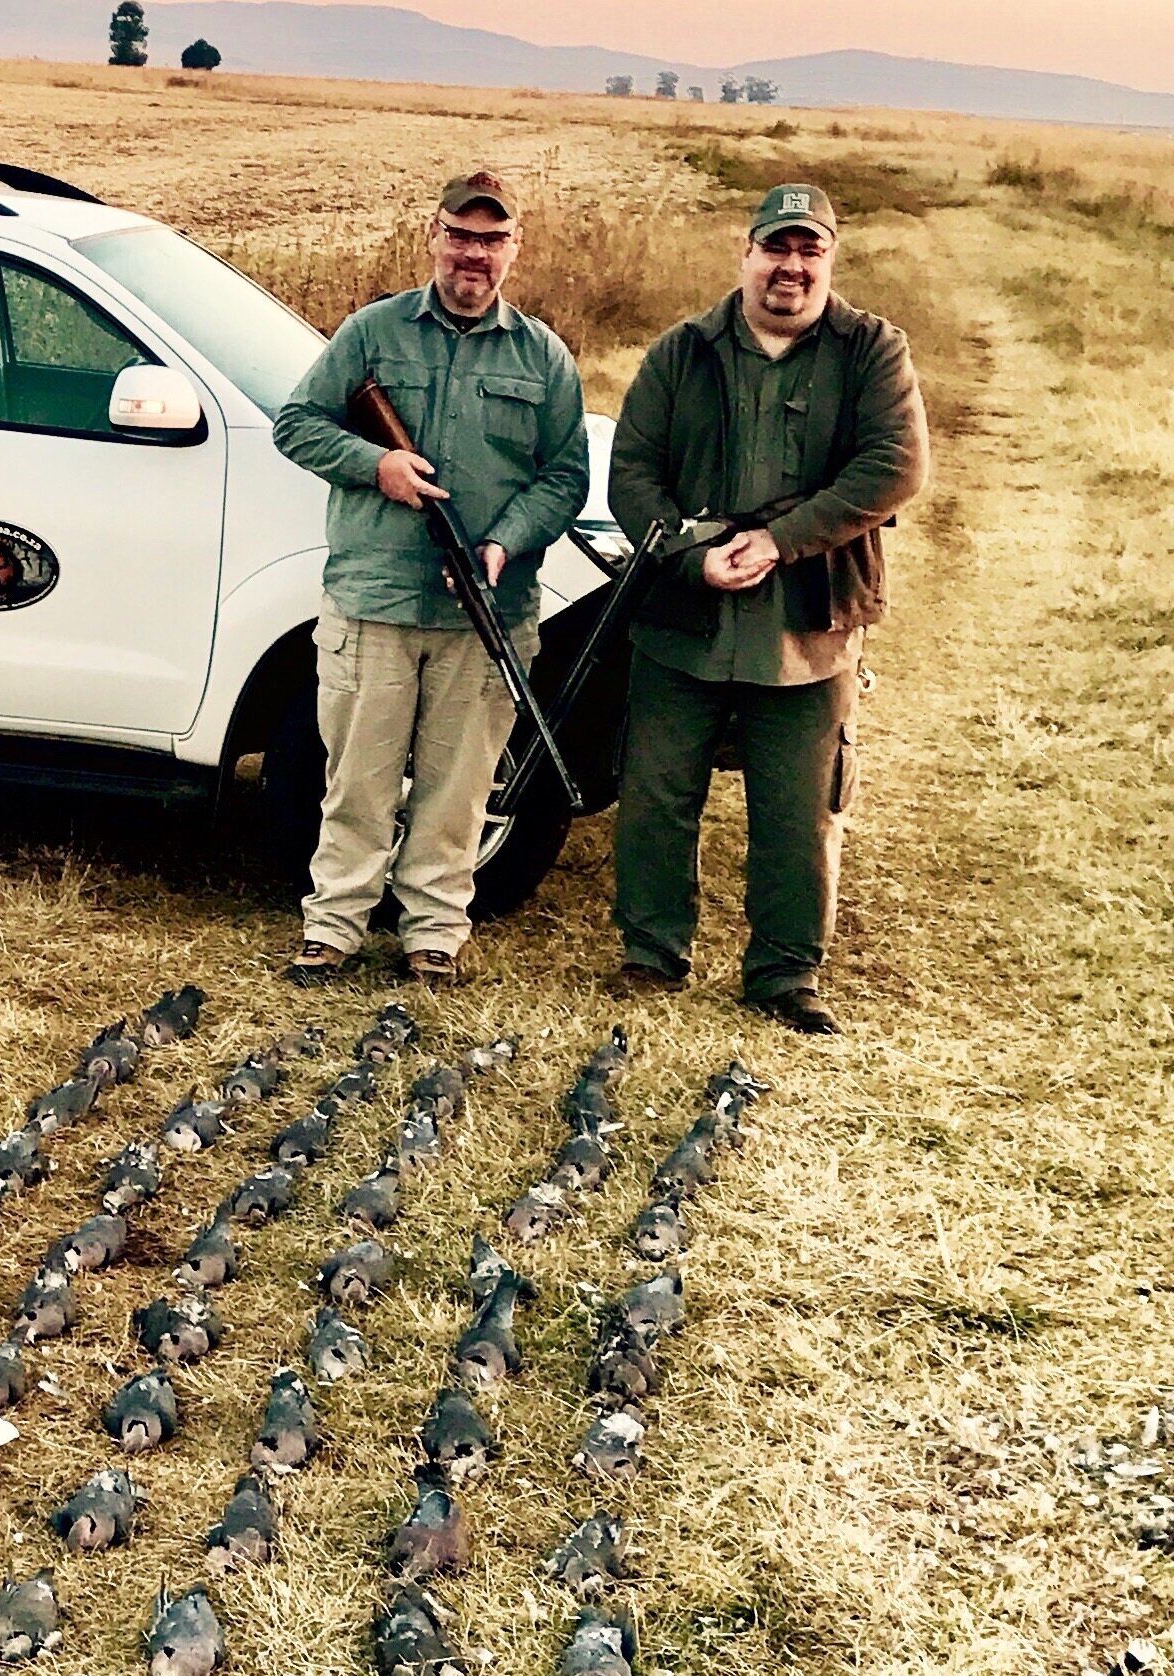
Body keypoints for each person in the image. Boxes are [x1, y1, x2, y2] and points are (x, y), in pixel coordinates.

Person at [608, 180, 929, 1037]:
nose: (790, 267)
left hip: (810, 623)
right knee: (657, 790)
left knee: (800, 802)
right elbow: (633, 472)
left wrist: (783, 540)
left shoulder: (871, 350)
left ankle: (786, 972)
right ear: (746, 253)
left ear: (830, 258)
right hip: (685, 614)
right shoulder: (682, 351)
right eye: (775, 248)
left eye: (808, 250)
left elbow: (894, 466)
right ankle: (650, 952)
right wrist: (693, 556)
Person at [272, 169, 589, 988]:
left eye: (491, 239)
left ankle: (435, 933)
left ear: (513, 249)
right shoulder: (372, 333)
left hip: (487, 609)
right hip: (374, 601)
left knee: (459, 788)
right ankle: (334, 925)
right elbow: (297, 425)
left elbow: (565, 478)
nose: (473, 254)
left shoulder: (544, 356)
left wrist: (503, 544)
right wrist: (376, 464)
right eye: (460, 234)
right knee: (358, 780)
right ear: (433, 236)